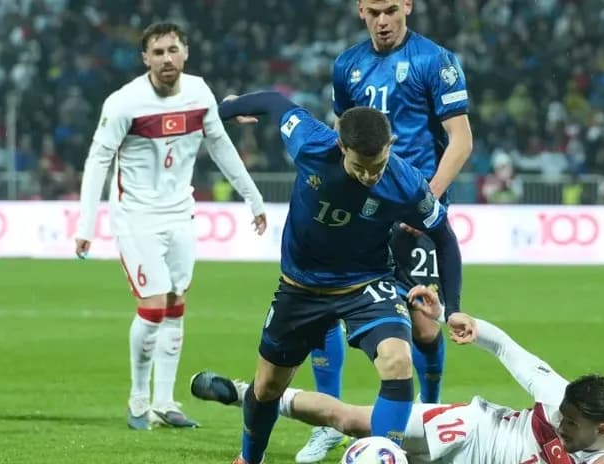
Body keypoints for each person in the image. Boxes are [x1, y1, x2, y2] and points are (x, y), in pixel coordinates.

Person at [214, 90, 475, 464]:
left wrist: (455, 308)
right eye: (360, 167)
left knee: (397, 361)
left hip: (366, 283)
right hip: (301, 287)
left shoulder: (406, 183)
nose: (370, 175)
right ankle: (249, 457)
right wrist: (226, 111)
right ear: (340, 146)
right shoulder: (310, 143)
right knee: (268, 386)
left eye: (378, 165)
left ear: (391, 145)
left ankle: (384, 455)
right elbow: (274, 102)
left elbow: (445, 238)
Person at [302, 1, 475, 458]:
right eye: (374, 10)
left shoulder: (434, 61)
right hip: (362, 209)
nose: (383, 20)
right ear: (360, 10)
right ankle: (328, 423)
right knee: (324, 303)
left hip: (412, 207)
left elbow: (461, 139)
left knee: (423, 326)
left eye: (392, 10)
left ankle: (432, 416)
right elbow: (346, 136)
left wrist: (428, 200)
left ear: (409, 7)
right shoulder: (348, 65)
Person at [73, 22, 267, 431]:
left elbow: (220, 145)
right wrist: (86, 222)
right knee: (154, 305)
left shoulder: (199, 93)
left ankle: (165, 402)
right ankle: (139, 400)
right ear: (145, 58)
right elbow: (98, 161)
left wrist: (253, 197)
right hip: (136, 217)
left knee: (176, 304)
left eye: (172, 50)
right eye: (157, 52)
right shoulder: (125, 102)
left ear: (185, 52)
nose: (166, 59)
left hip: (180, 213)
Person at [191, 285, 604, 464]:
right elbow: (505, 347)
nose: (562, 423)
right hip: (471, 429)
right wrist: (454, 319)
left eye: (572, 425)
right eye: (563, 416)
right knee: (351, 420)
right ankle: (245, 392)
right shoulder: (559, 396)